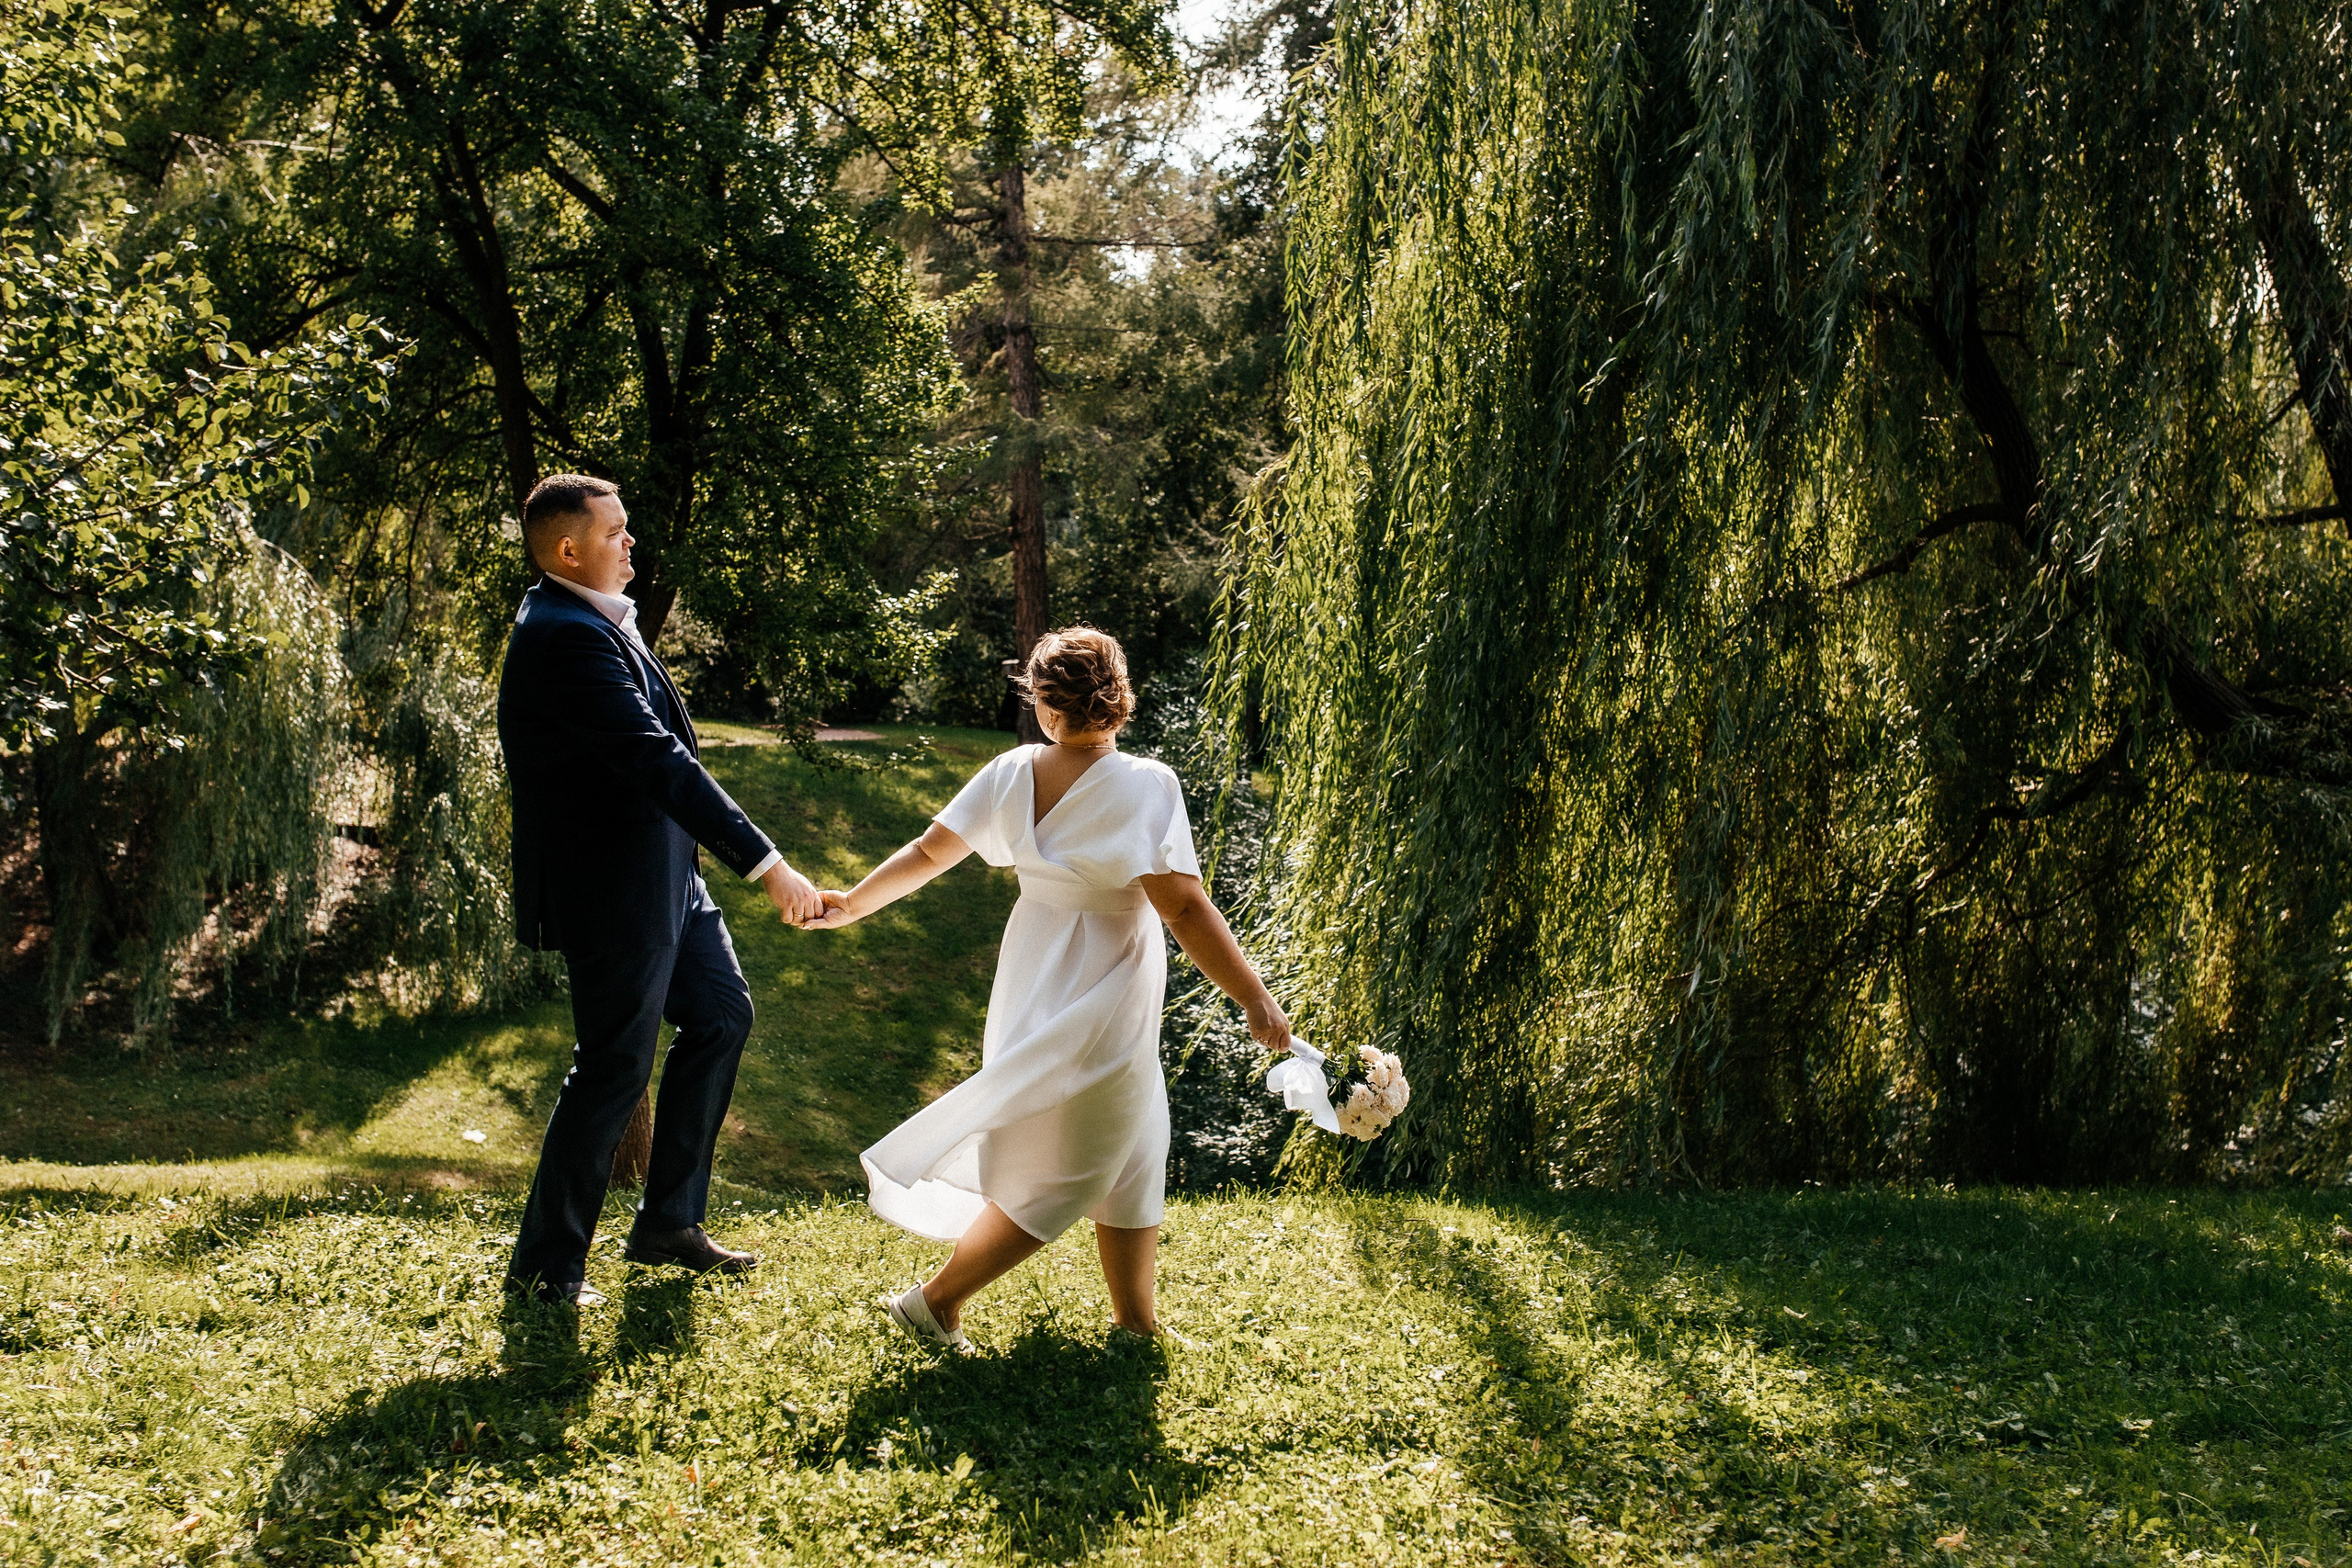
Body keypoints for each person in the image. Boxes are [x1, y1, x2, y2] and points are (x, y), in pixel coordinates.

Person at [806, 626, 1290, 1348]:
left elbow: (930, 851)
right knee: (1078, 1160)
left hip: (1036, 970)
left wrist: (855, 901)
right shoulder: (1146, 784)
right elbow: (1183, 907)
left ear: (1040, 700)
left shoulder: (1010, 771)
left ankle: (1135, 1321)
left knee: (1134, 1141)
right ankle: (933, 1301)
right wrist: (1252, 994)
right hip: (1103, 983)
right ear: (1119, 697)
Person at [497, 473, 824, 1307]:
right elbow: (658, 760)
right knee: (612, 1068)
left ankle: (668, 1223)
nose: (631, 542)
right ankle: (545, 1270)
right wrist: (767, 862)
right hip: (611, 891)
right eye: (616, 531)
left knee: (721, 1015)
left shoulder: (596, 618)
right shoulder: (562, 634)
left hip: (666, 879)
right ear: (569, 549)